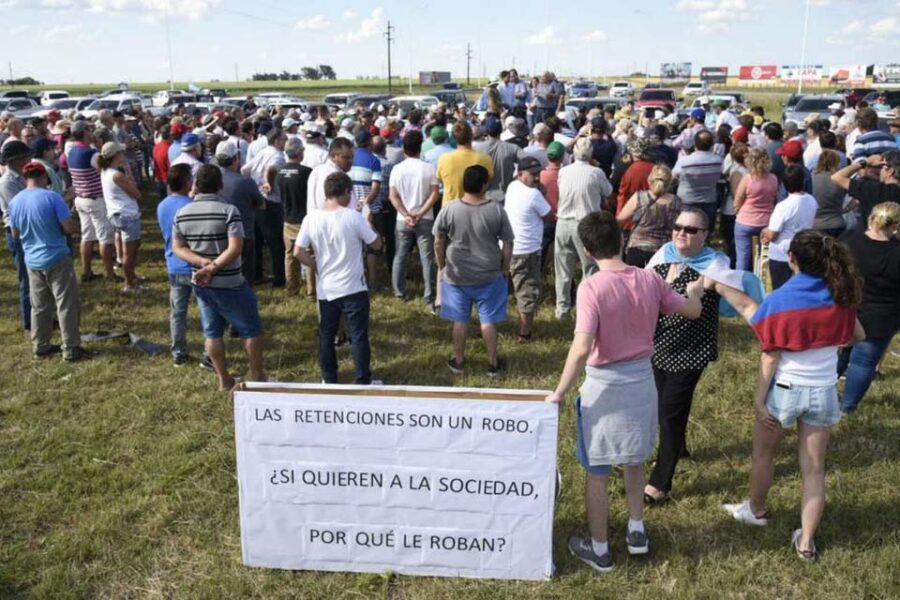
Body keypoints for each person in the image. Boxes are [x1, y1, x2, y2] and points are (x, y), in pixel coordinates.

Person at [545, 211, 703, 572]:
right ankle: (636, 529)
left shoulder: (591, 287)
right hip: (643, 383)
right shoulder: (649, 279)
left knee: (597, 471)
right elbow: (691, 310)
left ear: (587, 250)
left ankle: (600, 550)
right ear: (621, 241)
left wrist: (559, 391)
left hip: (604, 387)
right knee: (634, 460)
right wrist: (691, 290)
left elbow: (582, 347)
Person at [723, 230, 864, 563]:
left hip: (784, 391)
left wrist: (759, 400)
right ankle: (807, 542)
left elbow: (769, 355)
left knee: (763, 456)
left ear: (792, 259)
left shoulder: (780, 300)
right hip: (825, 391)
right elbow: (858, 335)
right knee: (814, 469)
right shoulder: (841, 295)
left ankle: (756, 510)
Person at [641, 208, 726, 503]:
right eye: (678, 227)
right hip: (657, 346)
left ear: (705, 235)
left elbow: (739, 295)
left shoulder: (715, 265)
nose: (681, 233)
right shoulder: (663, 254)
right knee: (663, 404)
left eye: (690, 230)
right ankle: (678, 446)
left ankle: (660, 483)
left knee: (669, 410)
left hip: (690, 352)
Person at [172, 164, 266, 390]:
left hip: (202, 282)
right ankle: (257, 375)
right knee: (251, 329)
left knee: (212, 331)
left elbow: (178, 248)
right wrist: (212, 266)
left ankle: (223, 379)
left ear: (196, 185)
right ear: (220, 185)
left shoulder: (182, 213)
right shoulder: (229, 211)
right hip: (231, 281)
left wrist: (201, 263)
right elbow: (235, 248)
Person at [294, 172, 382, 385]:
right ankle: (363, 379)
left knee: (327, 334)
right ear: (345, 192)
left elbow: (298, 252)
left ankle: (329, 378)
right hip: (353, 286)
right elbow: (376, 244)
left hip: (327, 287)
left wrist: (316, 266)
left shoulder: (311, 218)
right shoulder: (352, 216)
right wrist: (368, 221)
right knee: (359, 335)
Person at [433, 165, 513, 377]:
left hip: (457, 274)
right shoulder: (496, 209)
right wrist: (505, 268)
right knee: (487, 320)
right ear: (485, 184)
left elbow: (438, 242)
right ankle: (493, 363)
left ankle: (458, 361)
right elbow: (508, 243)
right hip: (489, 273)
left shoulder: (449, 209)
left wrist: (442, 266)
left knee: (460, 320)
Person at [8, 161, 86, 361]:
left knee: (39, 306)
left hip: (32, 260)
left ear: (26, 179)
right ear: (44, 177)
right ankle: (70, 347)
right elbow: (68, 226)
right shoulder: (52, 198)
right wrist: (75, 226)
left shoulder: (15, 201)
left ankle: (40, 344)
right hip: (57, 256)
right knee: (66, 303)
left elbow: (15, 233)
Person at [837, 202, 900, 413]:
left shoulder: (850, 240)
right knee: (863, 362)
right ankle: (847, 406)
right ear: (896, 225)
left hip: (848, 307)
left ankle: (822, 391)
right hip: (881, 316)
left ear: (871, 217)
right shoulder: (896, 251)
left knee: (839, 354)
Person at [555, 138, 613, 319]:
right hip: (586, 223)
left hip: (563, 222)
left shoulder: (564, 171)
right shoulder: (596, 173)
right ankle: (584, 308)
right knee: (589, 268)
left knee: (563, 270)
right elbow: (609, 192)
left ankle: (562, 310)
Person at [389, 130, 439, 310]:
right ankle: (429, 295)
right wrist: (419, 213)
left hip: (403, 220)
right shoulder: (428, 168)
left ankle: (399, 291)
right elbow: (434, 195)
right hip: (425, 218)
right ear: (420, 147)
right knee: (427, 258)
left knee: (400, 255)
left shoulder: (397, 169)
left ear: (404, 149)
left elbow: (393, 196)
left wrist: (405, 214)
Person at [504, 156, 552, 341]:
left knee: (505, 288)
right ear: (521, 174)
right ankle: (525, 333)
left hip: (508, 247)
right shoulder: (534, 195)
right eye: (533, 174)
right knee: (527, 291)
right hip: (527, 250)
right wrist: (543, 194)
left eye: (538, 173)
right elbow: (548, 215)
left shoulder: (512, 186)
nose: (537, 177)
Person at [68, 121, 118, 284]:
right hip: (95, 199)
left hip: (81, 198)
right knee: (105, 237)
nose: (93, 133)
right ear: (84, 133)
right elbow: (104, 171)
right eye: (90, 131)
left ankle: (86, 271)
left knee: (87, 236)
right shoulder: (91, 154)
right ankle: (110, 273)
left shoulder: (72, 151)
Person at [156, 163, 195, 366]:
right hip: (193, 265)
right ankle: (210, 352)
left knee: (178, 312)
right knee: (208, 310)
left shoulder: (162, 205)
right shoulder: (191, 205)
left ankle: (178, 351)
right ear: (187, 182)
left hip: (173, 263)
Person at [217, 140, 266, 285]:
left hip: (219, 231)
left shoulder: (213, 179)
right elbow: (262, 205)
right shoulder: (245, 182)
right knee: (245, 274)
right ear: (236, 158)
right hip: (244, 232)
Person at [763, 166, 818, 289]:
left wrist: (764, 232)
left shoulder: (783, 206)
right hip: (803, 249)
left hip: (781, 254)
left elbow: (772, 235)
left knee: (781, 289)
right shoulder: (812, 200)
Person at [99, 141, 143, 292]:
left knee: (129, 249)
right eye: (121, 152)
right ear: (116, 155)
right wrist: (128, 171)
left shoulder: (105, 172)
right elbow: (136, 193)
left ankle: (131, 277)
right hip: (127, 214)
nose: (124, 154)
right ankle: (130, 284)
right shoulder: (117, 175)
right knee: (129, 253)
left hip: (116, 213)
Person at [617, 164, 680, 268]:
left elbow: (620, 221)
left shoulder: (639, 197)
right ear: (670, 182)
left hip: (637, 251)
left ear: (650, 180)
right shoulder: (677, 202)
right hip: (664, 253)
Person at [0, 140, 34, 330]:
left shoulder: (21, 176)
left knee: (36, 278)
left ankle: (40, 316)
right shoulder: (7, 182)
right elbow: (21, 206)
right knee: (26, 279)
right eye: (26, 156)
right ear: (18, 160)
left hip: (28, 230)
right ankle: (29, 322)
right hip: (17, 234)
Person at [733, 147, 779, 271]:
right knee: (762, 257)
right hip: (766, 222)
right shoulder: (774, 179)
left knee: (742, 257)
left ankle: (740, 285)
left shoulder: (747, 179)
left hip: (745, 221)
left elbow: (737, 201)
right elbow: (775, 198)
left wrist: (738, 210)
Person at [831, 150, 900, 228]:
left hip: (874, 238)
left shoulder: (873, 189)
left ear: (890, 171)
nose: (880, 171)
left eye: (881, 167)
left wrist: (865, 162)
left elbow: (836, 177)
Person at [277, 138, 311, 296]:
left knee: (290, 255)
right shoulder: (306, 172)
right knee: (309, 255)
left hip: (288, 218)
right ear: (299, 153)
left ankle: (292, 289)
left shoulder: (280, 172)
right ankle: (312, 291)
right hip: (304, 219)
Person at [672, 129, 723, 234]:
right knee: (705, 232)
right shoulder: (718, 161)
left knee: (685, 231)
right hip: (709, 201)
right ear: (711, 144)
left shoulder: (685, 161)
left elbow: (673, 177)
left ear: (695, 144)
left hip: (686, 200)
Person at [436, 121, 493, 204]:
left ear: (454, 138)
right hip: (476, 207)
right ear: (471, 136)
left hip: (450, 208)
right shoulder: (485, 159)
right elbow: (488, 181)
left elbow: (440, 179)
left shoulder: (444, 159)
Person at [811, 150, 848, 238]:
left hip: (815, 224)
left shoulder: (811, 178)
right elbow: (856, 198)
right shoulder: (840, 179)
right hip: (837, 223)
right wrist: (847, 209)